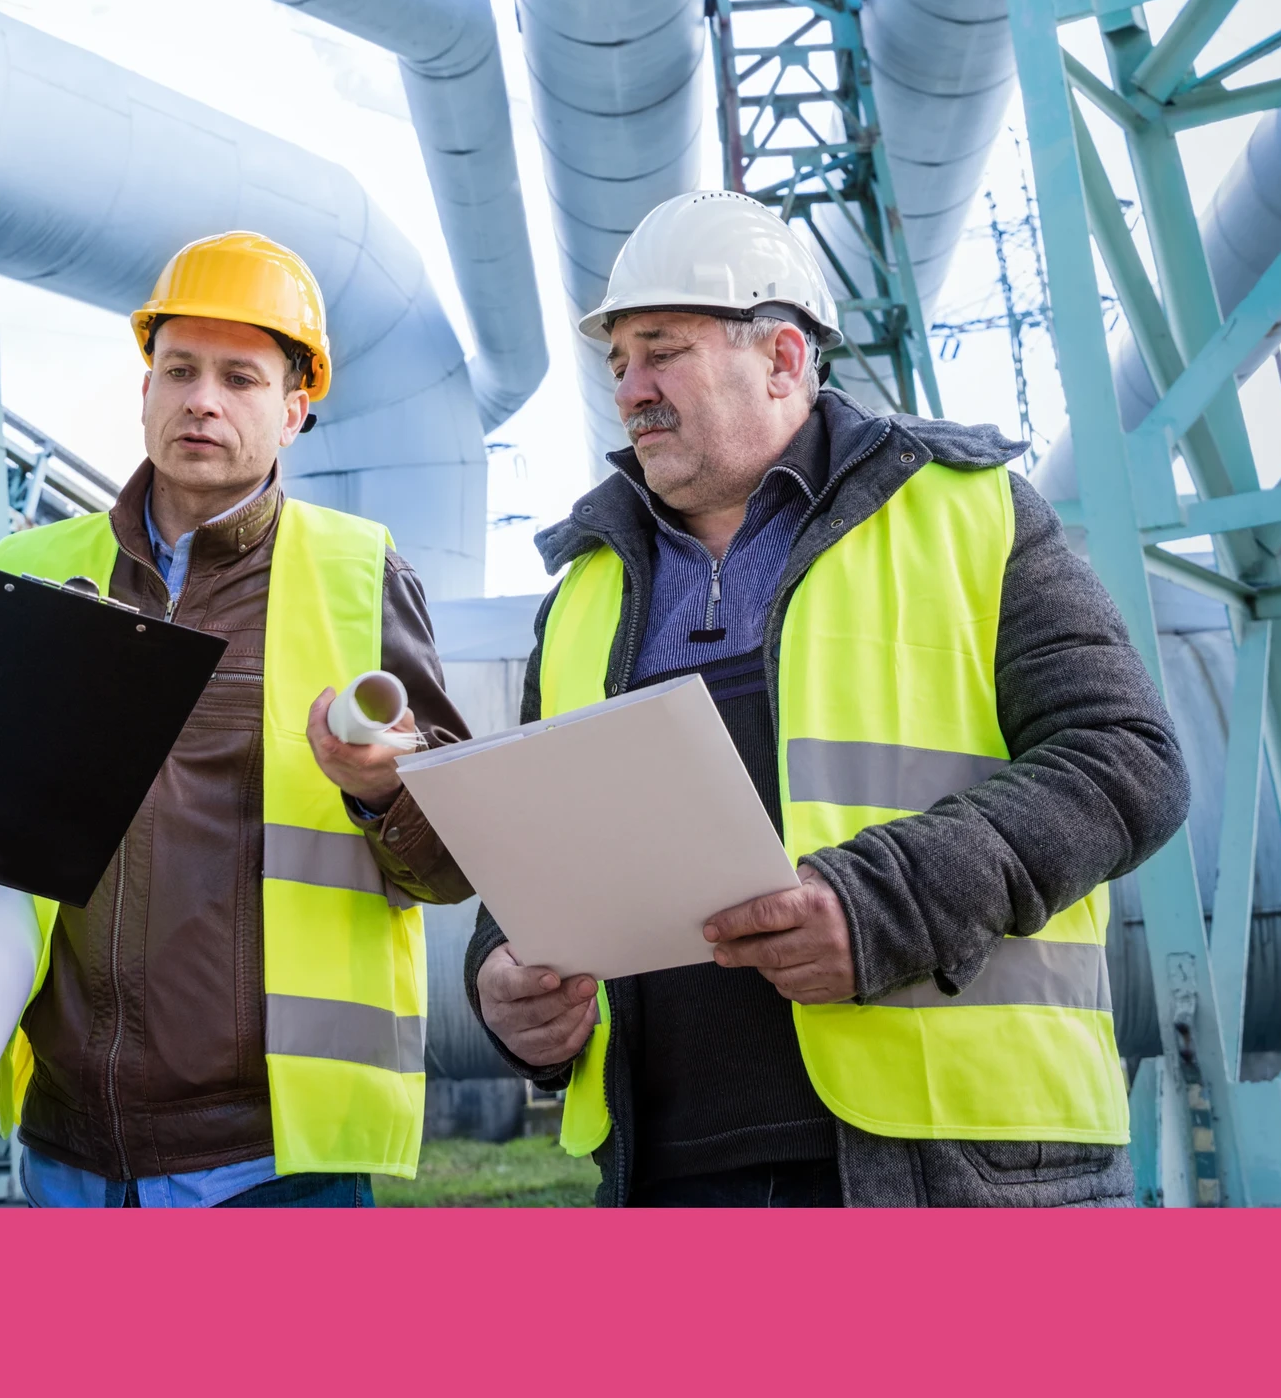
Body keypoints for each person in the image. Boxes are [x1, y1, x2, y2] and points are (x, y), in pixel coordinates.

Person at [465, 190, 1192, 1208]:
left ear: (782, 359)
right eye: (617, 361)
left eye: (662, 349)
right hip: (666, 1175)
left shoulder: (965, 510)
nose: (629, 389)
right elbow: (538, 854)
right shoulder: (583, 591)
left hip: (959, 1171)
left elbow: (1126, 760)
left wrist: (879, 903)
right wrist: (501, 980)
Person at [0, 231, 474, 1207]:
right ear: (145, 386)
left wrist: (380, 788)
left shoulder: (361, 576)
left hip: (275, 1163)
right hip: (65, 1146)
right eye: (179, 368)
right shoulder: (32, 566)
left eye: (239, 376)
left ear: (293, 409)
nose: (202, 399)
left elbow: (449, 864)